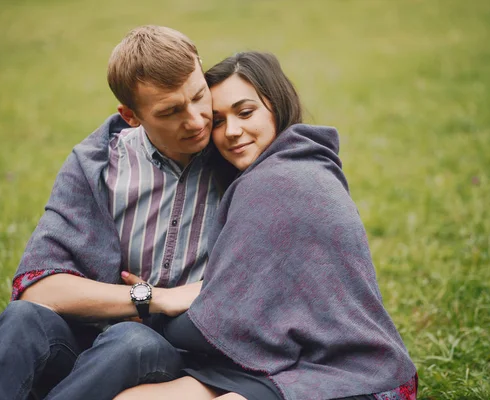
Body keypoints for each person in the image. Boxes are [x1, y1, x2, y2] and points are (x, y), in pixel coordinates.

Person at [115, 52, 418, 400]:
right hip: (284, 362)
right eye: (217, 120)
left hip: (354, 373)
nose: (232, 131)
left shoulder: (277, 182)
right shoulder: (300, 161)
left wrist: (150, 309)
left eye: (245, 113)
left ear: (276, 104)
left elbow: (224, 325)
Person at [0, 25, 226, 400]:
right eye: (171, 112)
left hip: (177, 359)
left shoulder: (236, 154)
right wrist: (153, 297)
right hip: (86, 345)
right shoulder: (98, 163)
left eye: (200, 96)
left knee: (130, 338)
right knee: (21, 320)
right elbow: (38, 287)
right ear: (131, 115)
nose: (197, 120)